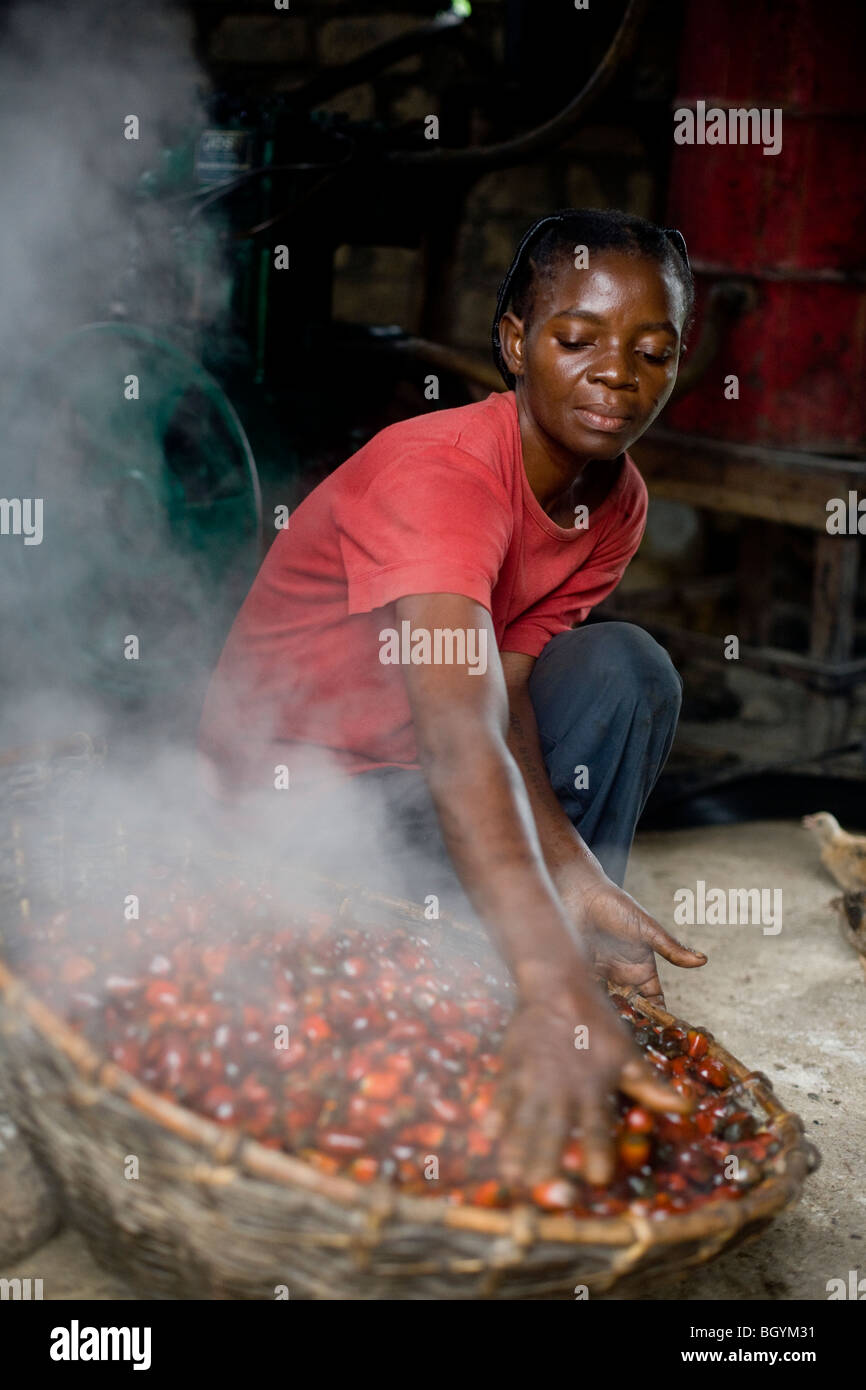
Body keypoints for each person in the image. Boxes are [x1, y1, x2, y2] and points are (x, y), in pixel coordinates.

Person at [198, 207, 708, 1188]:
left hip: (425, 790)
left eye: (651, 351)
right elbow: (458, 737)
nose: (615, 372)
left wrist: (572, 872)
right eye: (575, 340)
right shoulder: (440, 472)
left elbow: (507, 699)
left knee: (623, 668)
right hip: (296, 813)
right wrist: (551, 979)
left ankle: (540, 952)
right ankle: (531, 983)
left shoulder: (616, 501)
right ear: (515, 344)